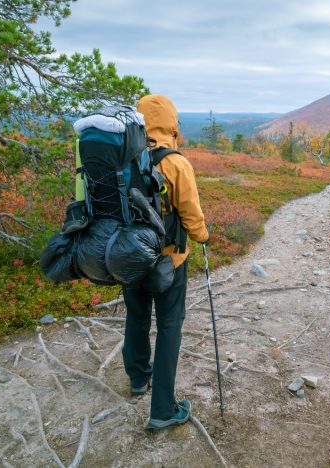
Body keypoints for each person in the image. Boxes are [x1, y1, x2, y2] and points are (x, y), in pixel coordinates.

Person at [122, 94, 209, 429]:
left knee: (137, 316)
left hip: (129, 258)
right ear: (172, 123)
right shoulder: (176, 163)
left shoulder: (126, 156)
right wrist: (203, 237)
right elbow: (191, 215)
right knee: (169, 326)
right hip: (168, 261)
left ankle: (138, 378)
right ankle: (162, 410)